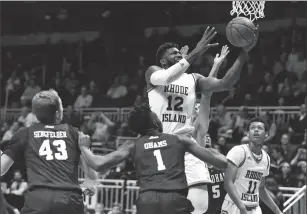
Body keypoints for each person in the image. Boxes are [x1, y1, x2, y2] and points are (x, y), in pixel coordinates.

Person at [145, 26, 257, 214]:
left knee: (199, 207)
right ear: (163, 61)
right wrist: (197, 50)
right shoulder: (153, 72)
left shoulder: (194, 79)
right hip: (161, 149)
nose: (179, 55)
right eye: (174, 54)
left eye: (179, 53)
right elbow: (165, 77)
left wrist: (243, 54)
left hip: (188, 149)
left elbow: (224, 84)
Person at [78, 102, 228, 214]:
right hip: (174, 199)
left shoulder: (132, 144)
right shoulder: (178, 139)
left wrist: (84, 147)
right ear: (156, 122)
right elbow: (221, 162)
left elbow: (99, 164)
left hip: (147, 201)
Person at [0, 89, 98, 214]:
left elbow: (1, 169)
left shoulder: (24, 133)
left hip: (39, 201)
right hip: (70, 202)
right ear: (58, 113)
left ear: (35, 115)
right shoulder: (74, 133)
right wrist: (89, 184)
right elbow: (92, 174)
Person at [223, 117, 283, 214]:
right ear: (248, 133)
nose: (256, 130)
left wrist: (277, 211)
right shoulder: (238, 151)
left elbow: (261, 187)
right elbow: (228, 183)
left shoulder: (266, 158)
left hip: (254, 208)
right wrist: (242, 208)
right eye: (252, 128)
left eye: (259, 128)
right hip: (234, 206)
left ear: (266, 134)